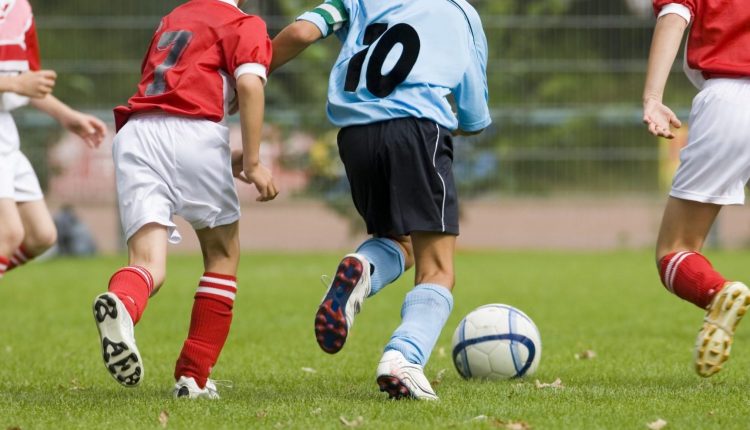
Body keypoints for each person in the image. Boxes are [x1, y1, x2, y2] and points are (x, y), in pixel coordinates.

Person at [271, 0, 490, 400]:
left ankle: (363, 265)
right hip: (417, 128)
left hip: (355, 134)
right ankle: (403, 357)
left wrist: (252, 73)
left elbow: (302, 31)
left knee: (397, 242)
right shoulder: (460, 12)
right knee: (438, 268)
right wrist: (459, 124)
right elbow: (473, 117)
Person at [92, 0, 277, 399]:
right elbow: (248, 85)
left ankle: (122, 301)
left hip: (136, 134)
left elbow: (170, 103)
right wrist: (256, 160)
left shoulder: (173, 18)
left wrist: (225, 160)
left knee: (146, 264)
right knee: (222, 256)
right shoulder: (245, 23)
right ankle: (193, 377)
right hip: (196, 131)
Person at [644, 0, 750, 377]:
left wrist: (653, 98)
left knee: (675, 249)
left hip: (730, 100)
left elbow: (674, 17)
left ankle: (719, 292)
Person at [0, 0, 106, 281]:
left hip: (5, 133)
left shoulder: (21, 8)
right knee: (8, 233)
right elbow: (18, 83)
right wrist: (13, 84)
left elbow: (29, 81)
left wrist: (68, 116)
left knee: (41, 235)